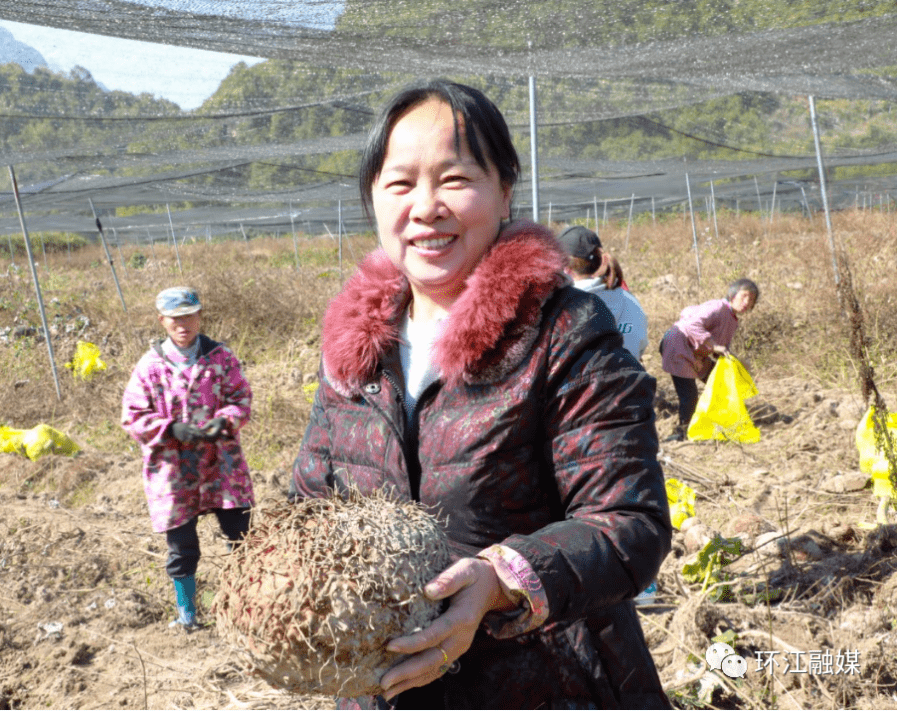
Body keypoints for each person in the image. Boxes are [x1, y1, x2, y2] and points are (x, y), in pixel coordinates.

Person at [291, 79, 672, 708]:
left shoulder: (564, 332)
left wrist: (499, 580)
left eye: (454, 179)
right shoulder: (354, 348)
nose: (426, 206)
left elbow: (630, 523)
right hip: (382, 686)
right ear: (373, 202)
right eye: (400, 183)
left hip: (551, 680)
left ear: (504, 192)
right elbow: (311, 500)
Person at [121, 286, 253, 630]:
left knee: (242, 537)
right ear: (162, 321)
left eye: (190, 316)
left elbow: (241, 398)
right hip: (173, 471)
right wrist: (171, 430)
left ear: (200, 315)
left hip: (221, 464)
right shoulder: (150, 367)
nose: (184, 325)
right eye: (176, 319)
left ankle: (246, 609)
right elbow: (133, 416)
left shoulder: (221, 357)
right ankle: (187, 615)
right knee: (182, 548)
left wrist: (224, 420)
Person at [659, 278, 759, 442]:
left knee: (722, 382)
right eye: (744, 296)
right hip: (678, 345)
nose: (747, 302)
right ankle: (682, 432)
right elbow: (691, 325)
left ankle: (723, 420)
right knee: (689, 395)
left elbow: (721, 349)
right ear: (733, 294)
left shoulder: (732, 319)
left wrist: (737, 363)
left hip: (695, 353)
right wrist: (713, 345)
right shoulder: (717, 307)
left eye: (752, 299)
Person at [556, 224, 649, 360]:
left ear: (565, 268)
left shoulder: (563, 308)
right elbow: (640, 345)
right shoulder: (630, 301)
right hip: (629, 378)